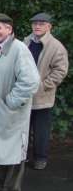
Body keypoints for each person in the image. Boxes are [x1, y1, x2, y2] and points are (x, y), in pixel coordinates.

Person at [0, 13, 40, 191]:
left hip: (11, 112)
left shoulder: (19, 49)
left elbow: (31, 81)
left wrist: (11, 102)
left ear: (9, 29)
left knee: (12, 150)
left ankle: (11, 189)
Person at [24, 13, 68, 170]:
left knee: (41, 131)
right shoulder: (26, 41)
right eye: (34, 23)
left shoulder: (56, 46)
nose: (37, 26)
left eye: (41, 23)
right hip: (24, 96)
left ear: (49, 27)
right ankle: (22, 157)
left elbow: (60, 71)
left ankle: (40, 158)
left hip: (42, 98)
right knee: (23, 129)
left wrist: (43, 86)